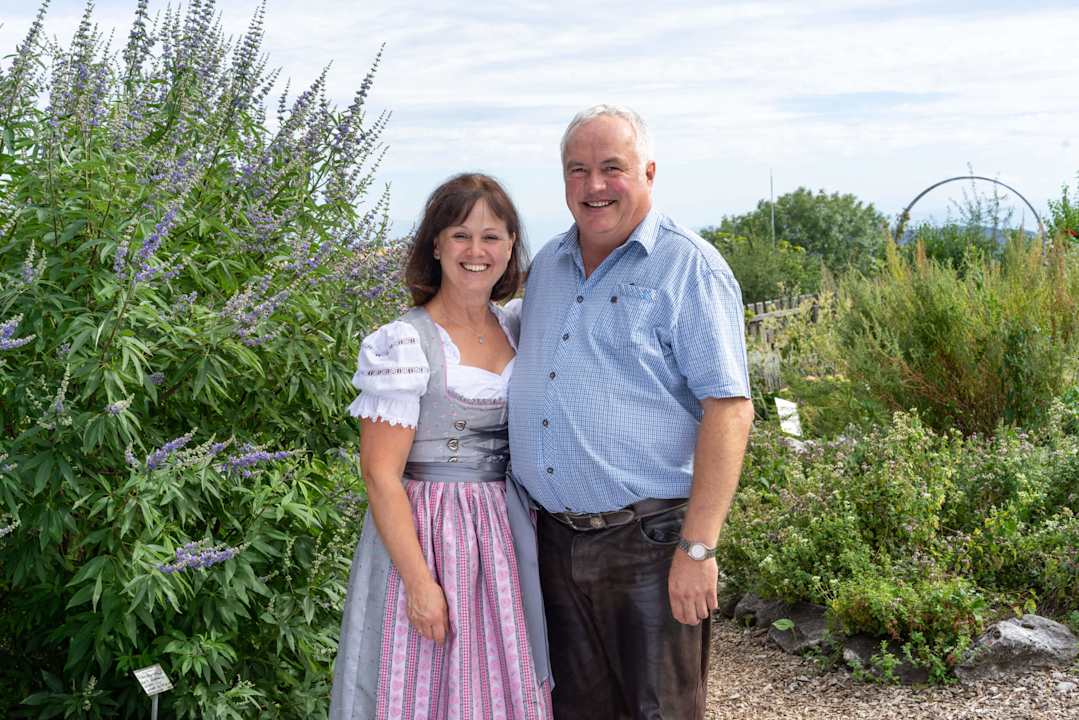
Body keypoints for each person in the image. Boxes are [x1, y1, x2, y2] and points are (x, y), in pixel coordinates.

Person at [508, 105, 754, 719]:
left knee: (660, 710)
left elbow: (729, 409)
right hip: (553, 542)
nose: (594, 185)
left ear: (648, 172)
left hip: (647, 543)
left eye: (611, 168)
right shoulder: (547, 268)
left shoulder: (687, 266)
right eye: (578, 170)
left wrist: (698, 549)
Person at [331, 173, 553, 720]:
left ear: (510, 247)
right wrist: (419, 584)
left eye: (492, 237)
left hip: (504, 534)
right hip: (430, 534)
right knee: (423, 679)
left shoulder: (517, 327)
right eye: (460, 235)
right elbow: (380, 476)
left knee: (502, 680)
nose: (476, 251)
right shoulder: (404, 342)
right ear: (435, 245)